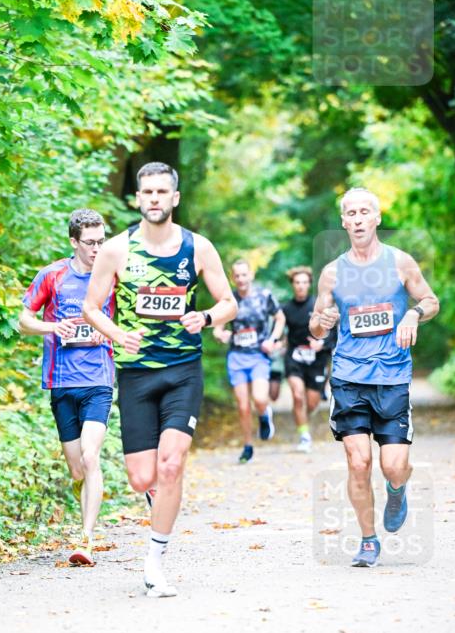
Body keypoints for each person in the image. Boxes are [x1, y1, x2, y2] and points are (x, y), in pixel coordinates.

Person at [83, 161, 237, 598]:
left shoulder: (198, 248)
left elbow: (228, 303)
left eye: (161, 192)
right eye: (146, 192)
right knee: (140, 478)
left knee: (172, 464)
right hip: (135, 374)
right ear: (137, 199)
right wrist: (116, 334)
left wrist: (205, 317)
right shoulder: (116, 250)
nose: (153, 199)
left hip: (183, 371)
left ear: (174, 198)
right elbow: (91, 308)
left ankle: (154, 561)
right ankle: (159, 500)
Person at [310, 187, 439, 568]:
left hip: (393, 375)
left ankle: (397, 490)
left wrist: (413, 315)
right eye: (351, 213)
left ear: (377, 218)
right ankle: (368, 540)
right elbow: (316, 327)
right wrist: (323, 322)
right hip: (349, 376)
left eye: (365, 211)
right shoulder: (332, 273)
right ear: (344, 221)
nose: (358, 218)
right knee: (358, 461)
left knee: (393, 465)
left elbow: (430, 301)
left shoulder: (401, 263)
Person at [19, 209, 114, 568]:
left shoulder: (112, 275)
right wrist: (52, 328)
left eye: (102, 242)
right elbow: (23, 320)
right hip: (61, 382)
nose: (96, 249)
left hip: (99, 381)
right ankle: (86, 497)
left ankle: (86, 539)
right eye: (90, 243)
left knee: (91, 457)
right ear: (74, 242)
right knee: (77, 469)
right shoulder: (53, 275)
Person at [213, 260, 284, 463]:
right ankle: (247, 446)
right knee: (243, 406)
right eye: (237, 276)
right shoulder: (229, 300)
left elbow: (280, 318)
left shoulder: (264, 296)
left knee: (260, 398)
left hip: (258, 355)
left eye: (245, 275)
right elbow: (218, 325)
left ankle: (264, 414)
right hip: (237, 357)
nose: (241, 279)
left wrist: (272, 339)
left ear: (251, 275)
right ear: (232, 278)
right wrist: (221, 334)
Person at [281, 266, 336, 453]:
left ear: (310, 284)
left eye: (304, 282)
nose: (301, 286)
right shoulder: (286, 309)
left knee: (311, 403)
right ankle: (304, 436)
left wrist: (322, 344)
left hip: (317, 360)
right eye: (297, 283)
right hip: (295, 357)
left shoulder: (318, 306)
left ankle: (304, 414)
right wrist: (278, 343)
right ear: (292, 285)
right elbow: (281, 332)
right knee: (297, 396)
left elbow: (333, 332)